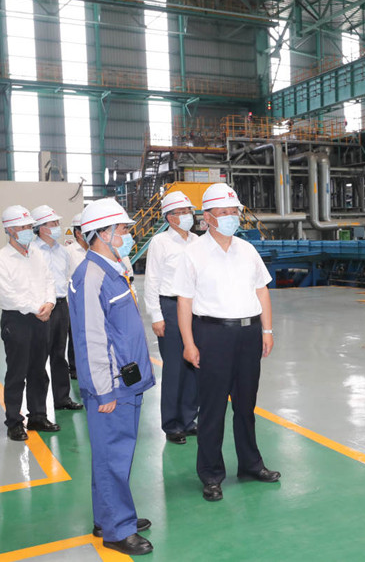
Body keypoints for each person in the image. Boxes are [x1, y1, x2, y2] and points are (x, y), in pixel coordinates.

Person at [172, 183, 279, 502]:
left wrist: (267, 330)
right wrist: (189, 343)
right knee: (213, 408)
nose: (232, 217)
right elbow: (184, 301)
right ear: (207, 217)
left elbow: (261, 290)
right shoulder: (193, 253)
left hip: (248, 334)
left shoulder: (247, 250)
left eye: (234, 211)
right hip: (212, 334)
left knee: (246, 405)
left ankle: (250, 464)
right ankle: (211, 474)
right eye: (224, 212)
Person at [68, 198, 156, 556]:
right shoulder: (91, 276)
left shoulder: (113, 268)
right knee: (113, 456)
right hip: (112, 386)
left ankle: (109, 516)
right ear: (102, 233)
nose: (127, 235)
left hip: (127, 380)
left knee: (113, 454)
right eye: (122, 230)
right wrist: (103, 391)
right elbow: (90, 338)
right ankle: (117, 529)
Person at [0, 205, 60, 441]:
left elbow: (49, 280)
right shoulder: (0, 259)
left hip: (42, 317)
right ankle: (14, 422)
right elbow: (7, 295)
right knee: (17, 373)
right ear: (9, 230)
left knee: (39, 371)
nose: (28, 230)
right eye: (23, 227)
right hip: (17, 321)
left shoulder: (36, 254)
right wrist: (38, 308)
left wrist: (49, 303)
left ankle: (38, 416)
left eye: (30, 226)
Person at [144, 191, 199, 444]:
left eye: (189, 211)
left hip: (196, 307)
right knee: (175, 368)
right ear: (170, 217)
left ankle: (188, 419)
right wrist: (156, 315)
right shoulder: (160, 242)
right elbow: (152, 280)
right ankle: (172, 424)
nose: (188, 215)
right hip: (171, 306)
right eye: (182, 212)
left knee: (194, 365)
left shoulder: (197, 241)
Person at [29, 205, 83, 411]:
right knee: (38, 357)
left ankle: (62, 399)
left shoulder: (63, 252)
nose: (57, 226)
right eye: (53, 223)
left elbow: (67, 277)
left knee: (59, 355)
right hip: (41, 308)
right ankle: (38, 409)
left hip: (60, 306)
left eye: (57, 223)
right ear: (41, 227)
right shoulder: (32, 251)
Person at [64, 213, 88, 380]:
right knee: (75, 335)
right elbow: (65, 277)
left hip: (94, 299)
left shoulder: (95, 249)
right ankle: (74, 368)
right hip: (75, 301)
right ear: (78, 233)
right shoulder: (69, 252)